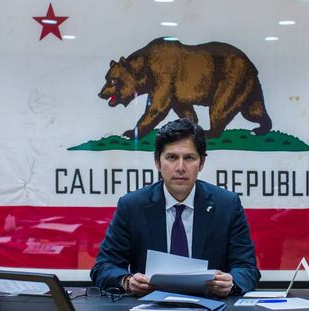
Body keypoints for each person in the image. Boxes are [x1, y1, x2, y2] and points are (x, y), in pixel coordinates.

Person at [90, 118, 260, 297]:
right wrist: (127, 281)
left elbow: (247, 269)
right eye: (172, 157)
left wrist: (231, 283)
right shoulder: (133, 206)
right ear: (158, 162)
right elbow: (104, 266)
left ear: (201, 163)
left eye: (189, 158)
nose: (180, 167)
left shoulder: (227, 205)